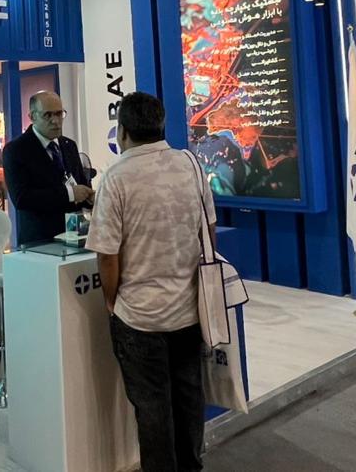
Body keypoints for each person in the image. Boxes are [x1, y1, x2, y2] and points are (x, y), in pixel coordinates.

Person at [86, 92, 218, 472]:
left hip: (140, 318)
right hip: (189, 310)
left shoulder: (116, 177)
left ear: (122, 131)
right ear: (161, 125)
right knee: (189, 398)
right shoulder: (190, 165)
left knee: (153, 407)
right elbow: (209, 232)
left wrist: (111, 302)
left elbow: (107, 255)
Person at [1, 91, 93, 245]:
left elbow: (80, 185)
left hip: (75, 237)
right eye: (48, 115)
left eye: (59, 114)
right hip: (40, 242)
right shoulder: (16, 150)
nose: (55, 121)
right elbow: (21, 198)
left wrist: (90, 197)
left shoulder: (69, 146)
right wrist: (69, 194)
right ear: (32, 117)